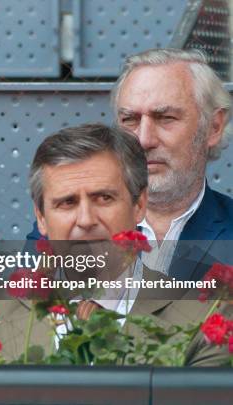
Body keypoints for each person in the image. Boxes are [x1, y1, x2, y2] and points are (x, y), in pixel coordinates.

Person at [0, 124, 231, 366]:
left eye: (104, 198)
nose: (86, 220)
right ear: (41, 218)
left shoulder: (205, 317)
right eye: (67, 202)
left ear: (139, 205)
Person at [111, 48, 233, 281]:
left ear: (213, 127)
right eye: (130, 120)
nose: (144, 140)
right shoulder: (70, 226)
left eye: (166, 118)